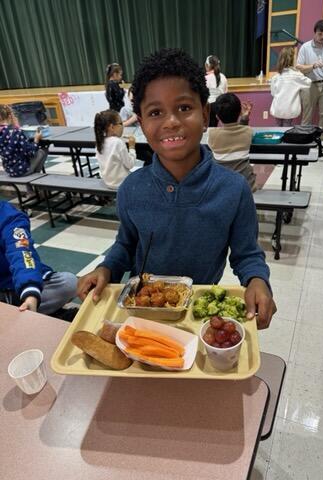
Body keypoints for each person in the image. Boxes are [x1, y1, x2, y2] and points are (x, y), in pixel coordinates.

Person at [78, 48, 276, 329]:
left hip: (199, 316)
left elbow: (247, 254)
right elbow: (126, 243)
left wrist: (258, 280)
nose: (171, 121)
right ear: (142, 124)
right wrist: (106, 268)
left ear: (205, 114)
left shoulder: (234, 189)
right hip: (141, 310)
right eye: (155, 112)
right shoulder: (132, 188)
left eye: (184, 108)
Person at [0, 200, 77, 316]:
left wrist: (30, 293)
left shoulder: (6, 214)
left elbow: (21, 250)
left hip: (14, 281)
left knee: (70, 283)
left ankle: (20, 308)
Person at [208, 93, 257, 191]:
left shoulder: (212, 134)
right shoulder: (248, 131)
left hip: (221, 186)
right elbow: (241, 130)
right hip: (246, 186)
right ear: (239, 113)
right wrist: (245, 117)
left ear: (217, 116)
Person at [296, 19, 323, 135]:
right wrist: (313, 66)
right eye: (320, 34)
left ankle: (321, 140)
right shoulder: (305, 47)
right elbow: (299, 67)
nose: (322, 37)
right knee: (307, 115)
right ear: (315, 33)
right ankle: (304, 139)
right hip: (309, 84)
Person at [0, 104, 47, 177]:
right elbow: (30, 152)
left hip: (9, 170)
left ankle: (34, 179)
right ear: (10, 116)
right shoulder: (16, 132)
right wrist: (36, 140)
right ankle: (35, 176)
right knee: (43, 150)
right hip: (21, 170)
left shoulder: (7, 131)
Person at [94, 110, 136, 189]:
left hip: (108, 182)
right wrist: (132, 147)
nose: (122, 126)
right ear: (112, 127)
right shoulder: (118, 142)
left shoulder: (100, 141)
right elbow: (130, 164)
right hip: (121, 183)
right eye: (120, 123)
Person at [270, 47, 311, 126]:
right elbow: (308, 83)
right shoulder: (297, 75)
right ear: (293, 60)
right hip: (290, 110)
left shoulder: (276, 76)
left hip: (277, 108)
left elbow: (273, 93)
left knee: (278, 128)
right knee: (286, 130)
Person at [205, 55, 228, 127]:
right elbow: (225, 92)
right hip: (220, 105)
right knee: (214, 125)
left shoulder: (206, 78)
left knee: (210, 126)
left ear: (207, 66)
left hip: (209, 106)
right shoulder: (223, 76)